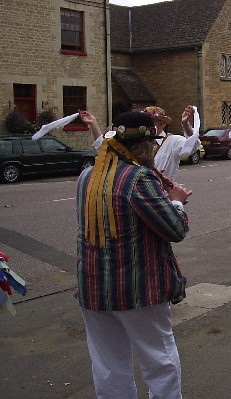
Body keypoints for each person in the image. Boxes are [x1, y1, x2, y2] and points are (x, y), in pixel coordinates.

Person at [76, 111, 192, 399]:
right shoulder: (139, 177)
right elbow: (175, 229)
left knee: (108, 365)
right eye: (151, 144)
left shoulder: (87, 175)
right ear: (140, 147)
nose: (154, 149)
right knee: (160, 359)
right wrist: (176, 202)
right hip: (137, 288)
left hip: (92, 286)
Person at [79, 105, 199, 182]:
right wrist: (93, 124)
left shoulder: (172, 141)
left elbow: (192, 146)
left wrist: (185, 124)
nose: (145, 124)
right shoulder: (133, 142)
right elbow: (104, 149)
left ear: (162, 123)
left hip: (162, 198)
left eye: (151, 121)